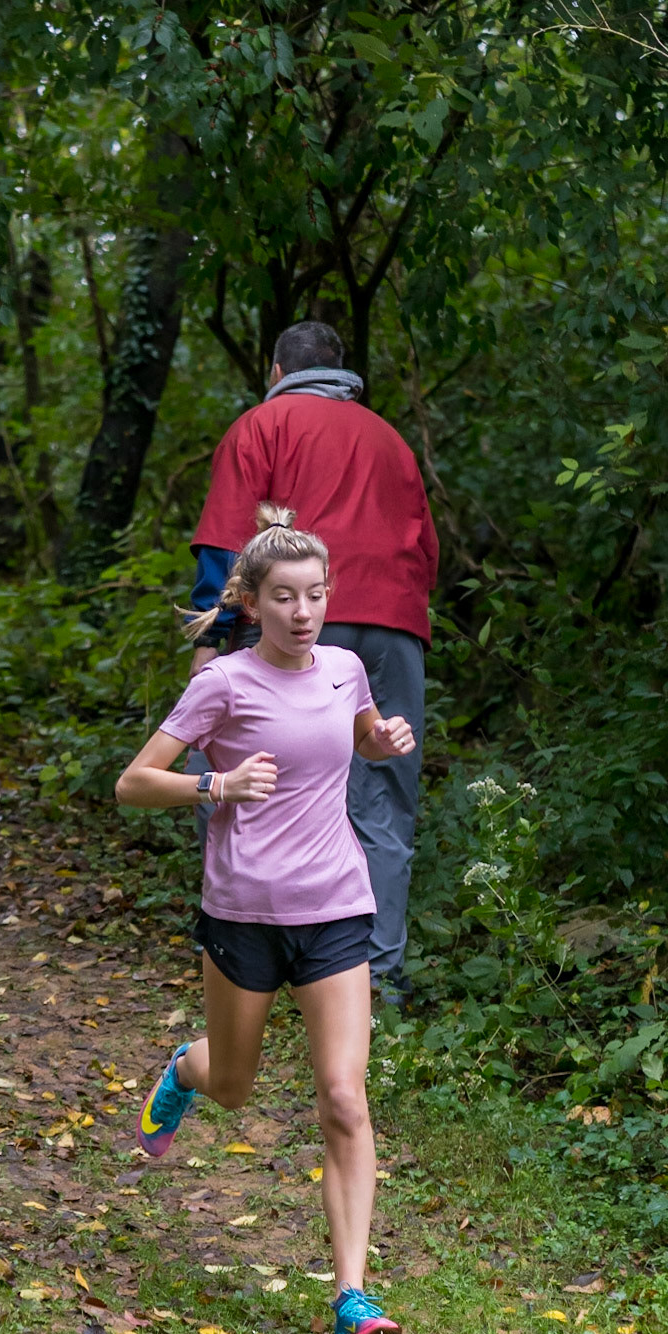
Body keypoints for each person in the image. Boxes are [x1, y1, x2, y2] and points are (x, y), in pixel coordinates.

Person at [117, 506, 415, 1334]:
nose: (303, 611)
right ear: (251, 601)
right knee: (234, 1083)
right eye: (285, 596)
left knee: (345, 1097)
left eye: (315, 594)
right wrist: (216, 785)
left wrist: (384, 741)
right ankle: (187, 1067)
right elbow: (134, 783)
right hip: (244, 914)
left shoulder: (346, 669)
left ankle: (351, 1295)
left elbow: (358, 739)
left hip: (335, 906)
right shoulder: (223, 683)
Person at [187, 321, 438, 1002]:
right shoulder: (390, 440)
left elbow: (226, 542)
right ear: (343, 373)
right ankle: (376, 979)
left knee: (247, 779)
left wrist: (211, 637)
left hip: (294, 624)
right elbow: (426, 550)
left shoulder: (262, 425)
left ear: (276, 372)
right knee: (383, 800)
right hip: (393, 626)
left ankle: (242, 954)